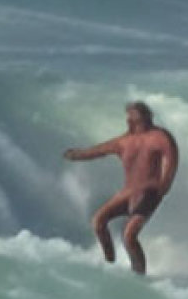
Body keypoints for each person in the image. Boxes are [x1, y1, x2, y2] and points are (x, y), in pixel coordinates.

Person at [63, 101, 178, 275]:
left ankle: (139, 276)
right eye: (130, 118)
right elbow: (98, 150)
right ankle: (109, 265)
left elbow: (171, 159)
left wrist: (164, 185)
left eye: (137, 118)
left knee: (129, 236)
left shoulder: (161, 137)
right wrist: (77, 155)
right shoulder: (124, 142)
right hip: (127, 193)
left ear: (147, 117)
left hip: (149, 192)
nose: (132, 122)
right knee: (98, 222)